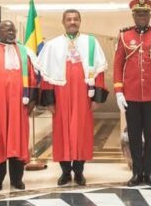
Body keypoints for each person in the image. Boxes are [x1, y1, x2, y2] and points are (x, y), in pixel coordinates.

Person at [38, 10, 108, 186]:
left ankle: (79, 172)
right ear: (63, 22)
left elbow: (99, 72)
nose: (72, 22)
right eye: (69, 19)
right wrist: (49, 101)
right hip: (61, 95)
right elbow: (46, 76)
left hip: (83, 95)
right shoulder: (52, 45)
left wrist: (97, 98)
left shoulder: (91, 43)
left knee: (81, 133)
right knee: (62, 133)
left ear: (80, 21)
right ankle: (64, 173)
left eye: (76, 19)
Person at [114, 0, 151, 189]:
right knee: (135, 136)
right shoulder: (124, 36)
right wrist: (119, 92)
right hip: (130, 96)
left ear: (149, 15)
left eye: (145, 13)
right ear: (133, 15)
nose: (141, 17)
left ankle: (150, 172)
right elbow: (117, 65)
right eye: (138, 13)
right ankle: (137, 172)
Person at [0, 21, 37, 192]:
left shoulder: (25, 52)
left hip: (20, 105)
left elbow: (33, 77)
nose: (11, 32)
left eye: (13, 30)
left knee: (18, 140)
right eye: (7, 29)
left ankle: (17, 179)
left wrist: (32, 100)